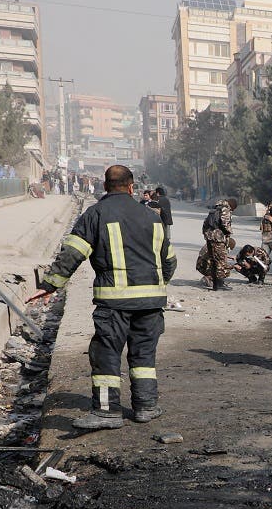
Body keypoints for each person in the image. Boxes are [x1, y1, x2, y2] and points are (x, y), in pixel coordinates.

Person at [27, 165, 176, 429]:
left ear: (105, 186)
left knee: (106, 354)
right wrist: (156, 285)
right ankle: (146, 406)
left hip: (114, 303)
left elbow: (73, 253)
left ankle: (107, 411)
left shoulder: (95, 214)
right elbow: (169, 261)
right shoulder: (152, 217)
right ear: (132, 187)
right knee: (143, 356)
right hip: (151, 303)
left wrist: (51, 285)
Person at [202, 197, 237, 291]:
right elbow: (225, 224)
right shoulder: (225, 209)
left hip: (209, 236)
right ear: (232, 206)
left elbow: (206, 223)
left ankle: (215, 285)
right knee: (221, 261)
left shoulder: (215, 208)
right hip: (218, 237)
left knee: (213, 260)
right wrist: (229, 233)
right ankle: (220, 283)